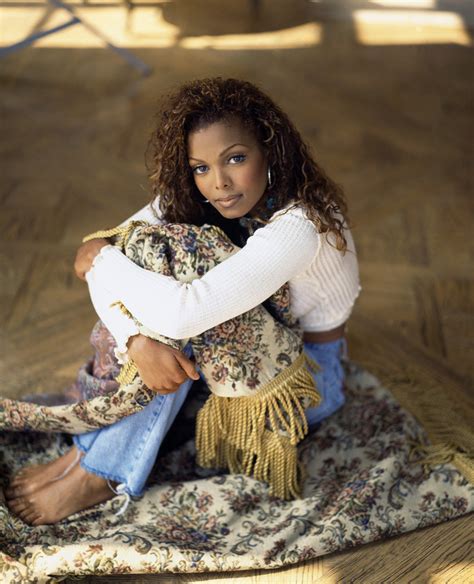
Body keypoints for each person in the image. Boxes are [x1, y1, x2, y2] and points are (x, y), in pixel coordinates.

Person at [6, 77, 360, 525]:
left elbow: (168, 302)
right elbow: (121, 245)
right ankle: (87, 461)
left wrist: (102, 257)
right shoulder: (205, 194)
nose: (220, 184)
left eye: (236, 158)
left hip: (306, 379)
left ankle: (99, 471)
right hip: (242, 350)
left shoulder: (300, 223)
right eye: (201, 168)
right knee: (152, 260)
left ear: (270, 150)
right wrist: (134, 339)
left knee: (179, 308)